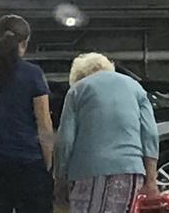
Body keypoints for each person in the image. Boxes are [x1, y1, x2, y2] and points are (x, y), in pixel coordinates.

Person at [0, 15, 54, 213]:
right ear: (24, 43)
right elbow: (44, 123)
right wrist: (47, 163)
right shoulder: (32, 74)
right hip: (27, 161)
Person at [55, 53, 160, 213]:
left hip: (86, 171)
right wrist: (151, 181)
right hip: (129, 171)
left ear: (78, 76)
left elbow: (65, 141)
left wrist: (60, 179)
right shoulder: (135, 87)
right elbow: (150, 135)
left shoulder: (78, 90)